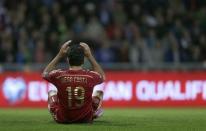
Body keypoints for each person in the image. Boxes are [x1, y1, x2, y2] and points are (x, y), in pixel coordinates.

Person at [42, 40, 105, 123]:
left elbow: (45, 74)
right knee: (99, 93)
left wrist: (59, 55)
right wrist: (90, 56)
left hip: (62, 118)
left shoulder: (59, 75)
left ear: (68, 60)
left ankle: (59, 113)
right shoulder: (90, 76)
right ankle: (92, 113)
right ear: (83, 61)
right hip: (85, 119)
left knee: (52, 92)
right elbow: (102, 77)